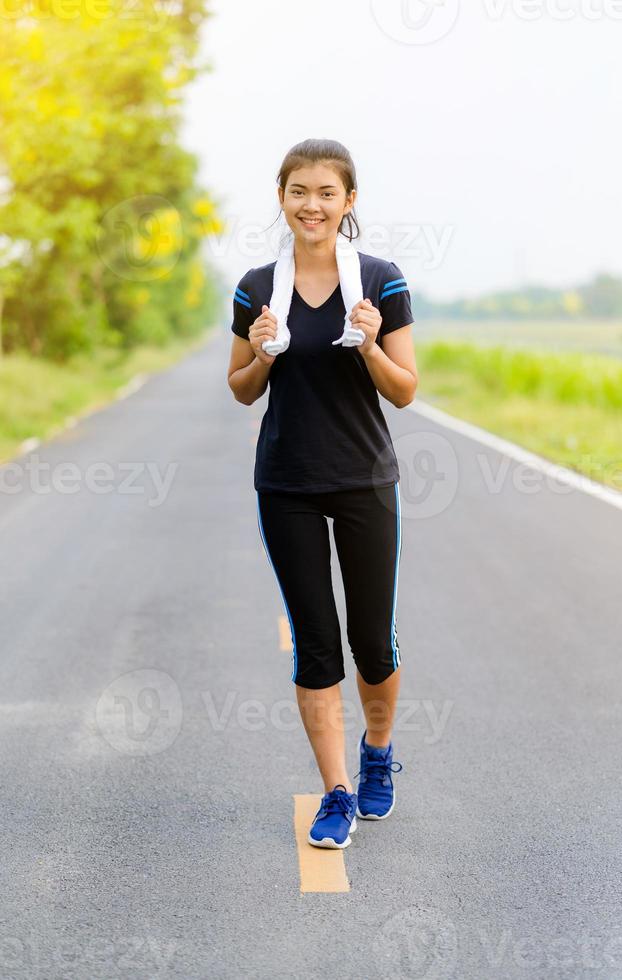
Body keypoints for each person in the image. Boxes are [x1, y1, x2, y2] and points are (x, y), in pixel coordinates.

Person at [227, 138, 418, 849]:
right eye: (298, 192)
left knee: (372, 640)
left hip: (365, 477)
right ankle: (336, 792)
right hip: (287, 482)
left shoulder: (379, 279)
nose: (312, 205)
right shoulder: (256, 286)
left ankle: (376, 752)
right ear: (282, 198)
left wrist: (368, 345)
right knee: (315, 645)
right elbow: (241, 386)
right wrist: (261, 348)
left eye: (326, 193)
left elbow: (403, 392)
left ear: (348, 202)